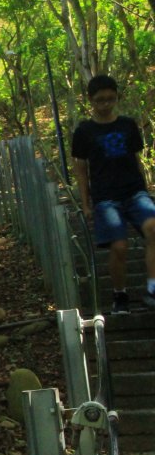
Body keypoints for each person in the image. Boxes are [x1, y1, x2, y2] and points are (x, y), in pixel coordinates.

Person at [72, 74, 155, 314]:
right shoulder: (85, 131)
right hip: (106, 197)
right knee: (119, 246)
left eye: (110, 99)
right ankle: (120, 294)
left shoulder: (127, 125)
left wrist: (146, 190)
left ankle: (152, 288)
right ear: (91, 101)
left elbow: (136, 159)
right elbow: (80, 169)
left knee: (153, 227)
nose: (106, 104)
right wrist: (86, 203)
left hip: (134, 191)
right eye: (100, 100)